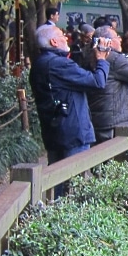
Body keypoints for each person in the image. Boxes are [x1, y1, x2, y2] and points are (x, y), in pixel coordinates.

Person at [29, 24, 110, 164]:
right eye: (62, 36)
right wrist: (102, 59)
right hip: (73, 133)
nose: (66, 38)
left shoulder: (39, 63)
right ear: (53, 42)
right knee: (74, 180)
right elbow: (98, 82)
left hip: (53, 130)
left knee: (58, 178)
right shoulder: (59, 64)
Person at [84, 25, 128, 143]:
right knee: (119, 158)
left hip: (101, 118)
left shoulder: (90, 55)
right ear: (107, 41)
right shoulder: (113, 58)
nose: (120, 39)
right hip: (117, 122)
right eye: (117, 37)